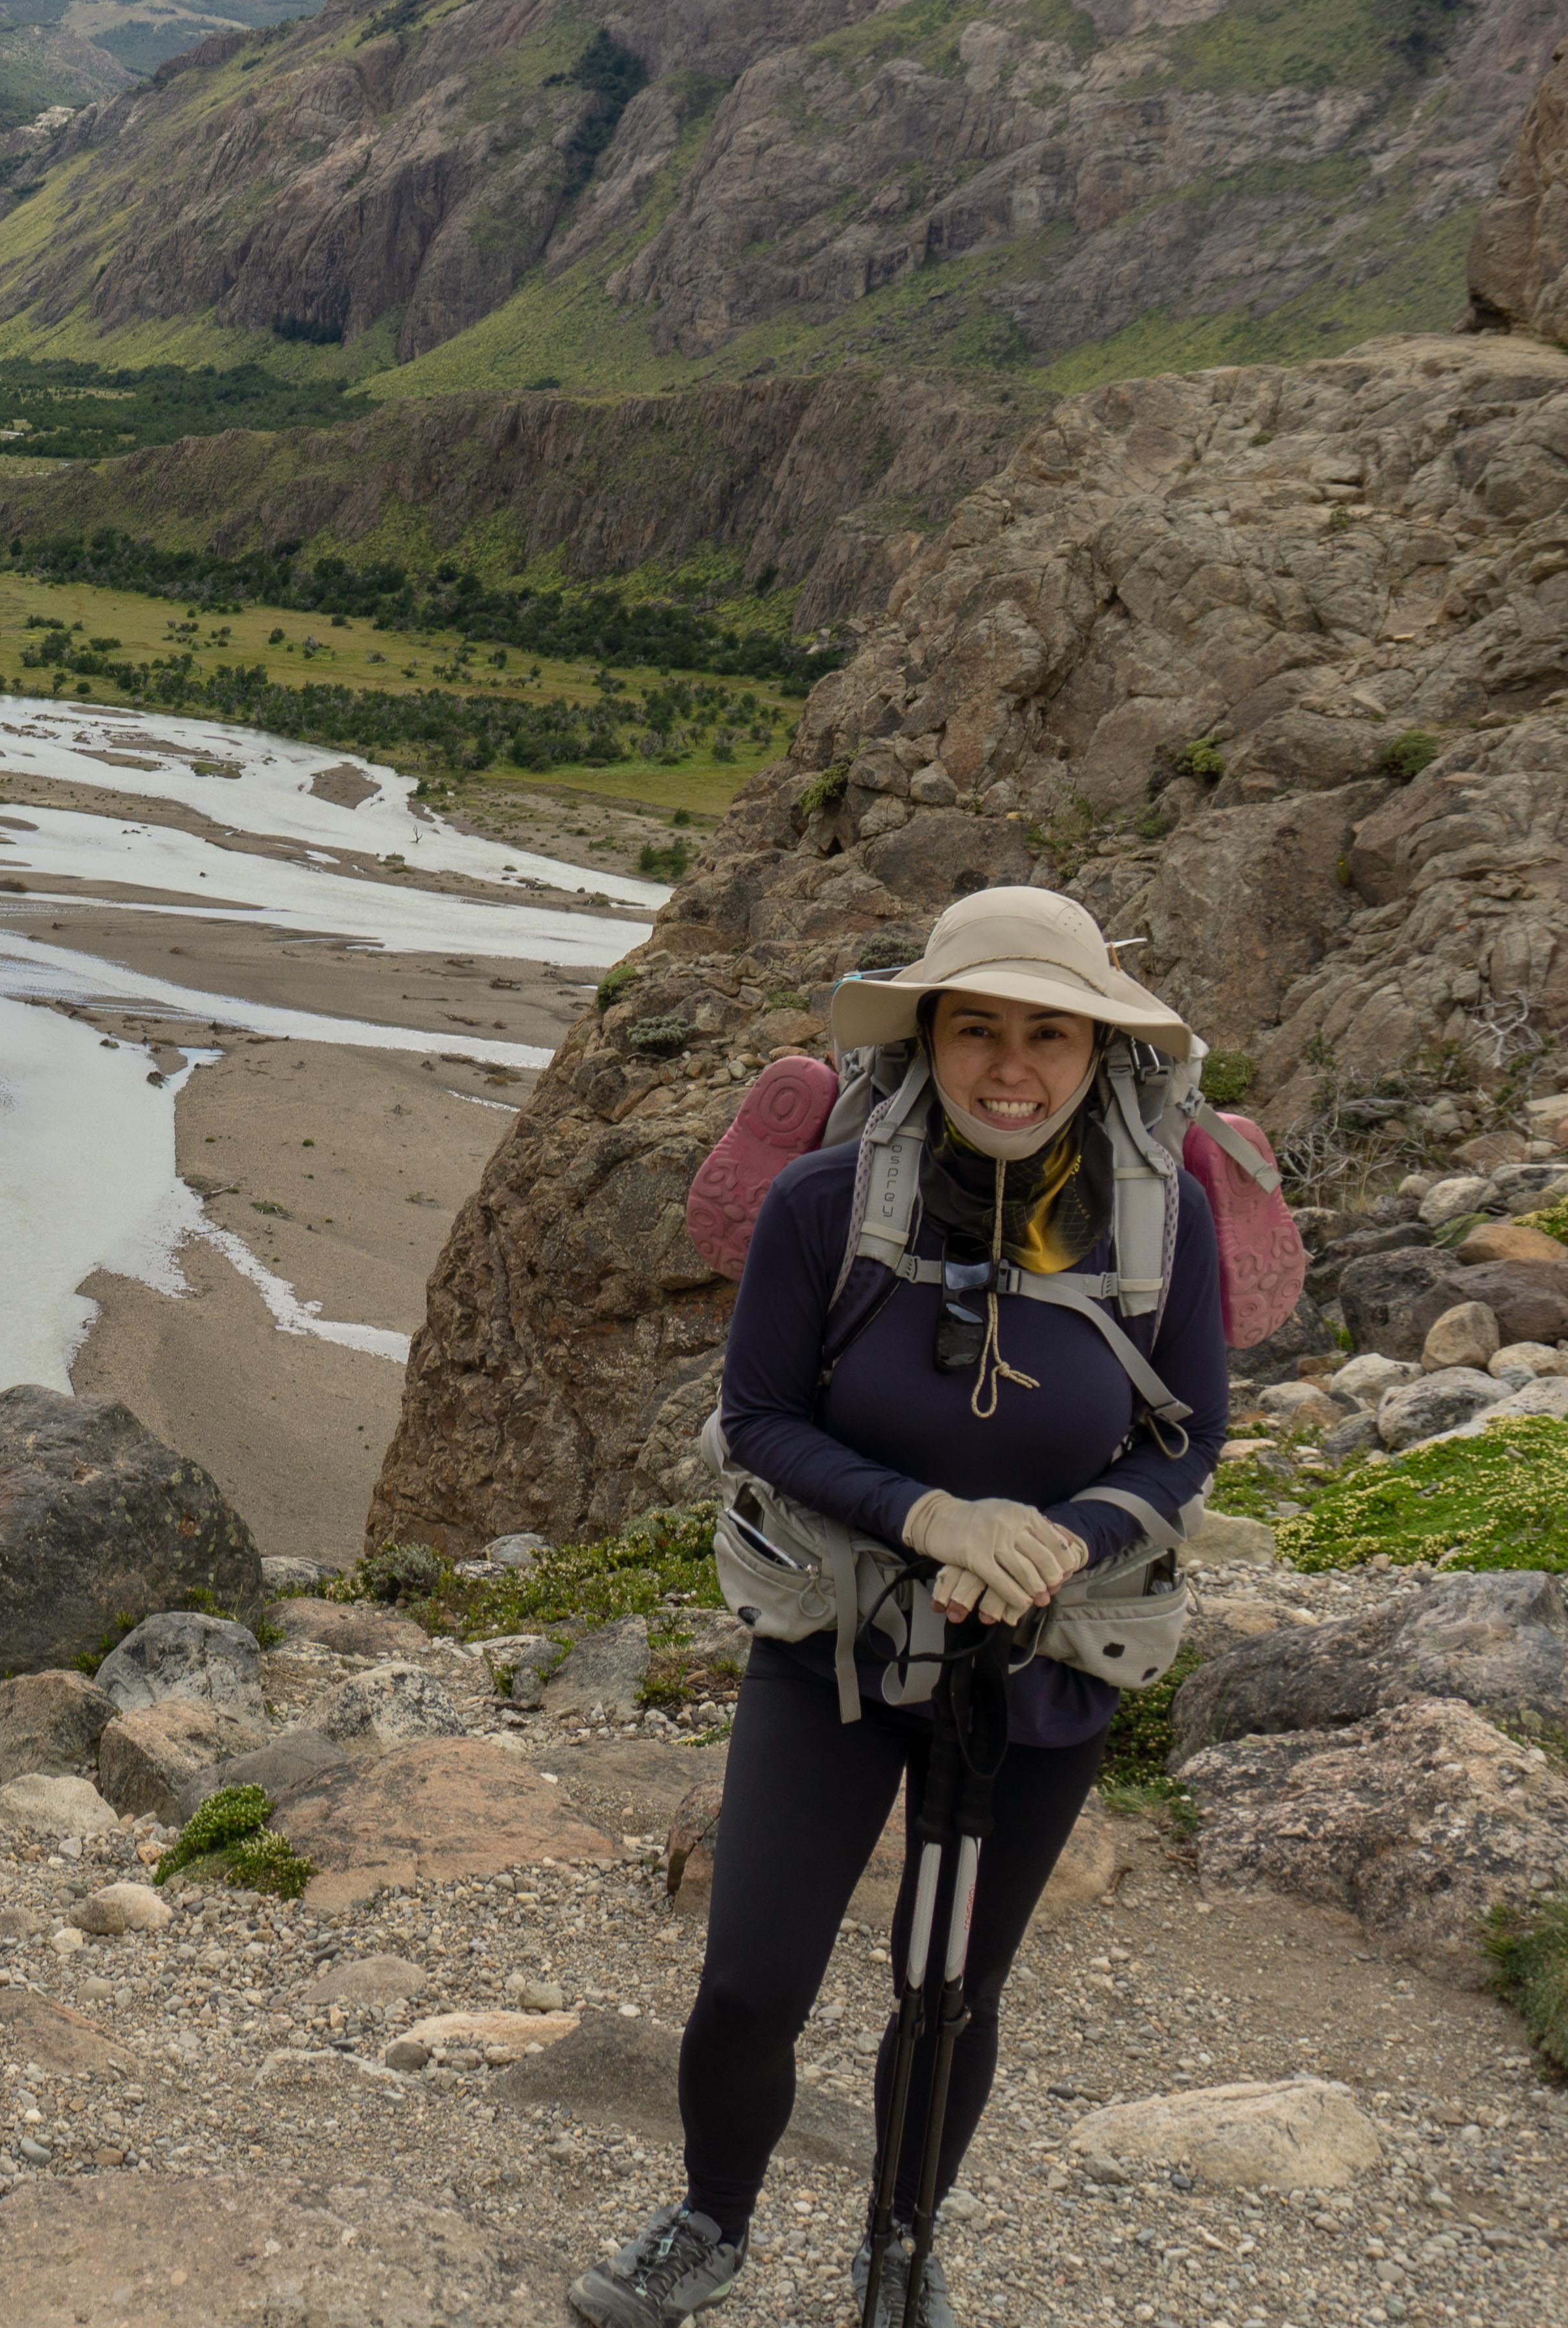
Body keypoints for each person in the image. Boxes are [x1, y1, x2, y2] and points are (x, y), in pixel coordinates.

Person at [569, 889, 1226, 2328]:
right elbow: (757, 1416)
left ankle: (902, 2248)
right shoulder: (826, 1202)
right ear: (925, 1036)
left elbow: (1188, 1436)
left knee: (952, 1986)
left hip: (1045, 1654)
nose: (1011, 1064)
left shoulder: (1162, 1215)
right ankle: (710, 2217)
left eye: (1048, 1032)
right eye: (975, 1025)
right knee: (752, 1977)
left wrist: (1059, 1537)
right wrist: (935, 1517)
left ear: (1098, 1049)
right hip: (838, 1642)